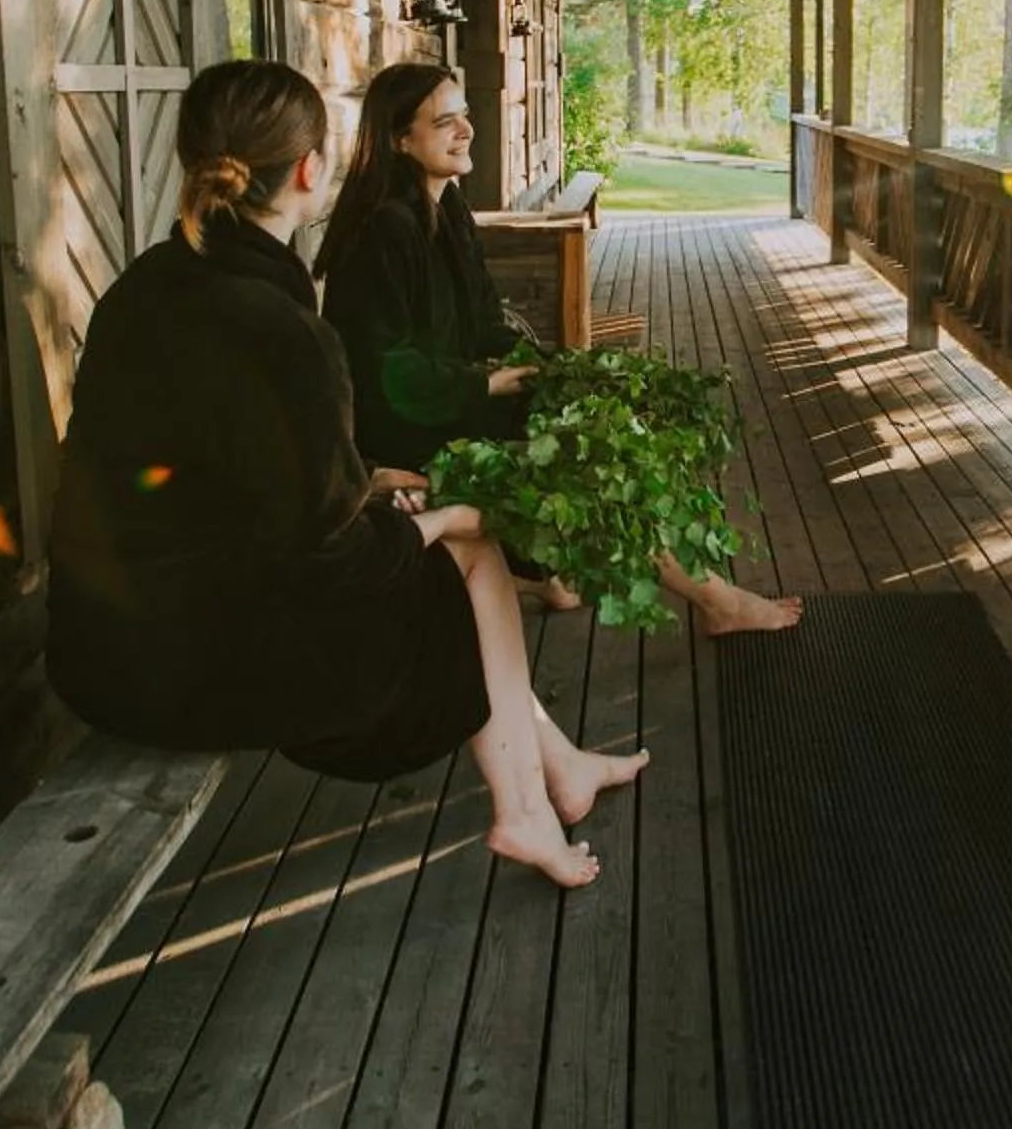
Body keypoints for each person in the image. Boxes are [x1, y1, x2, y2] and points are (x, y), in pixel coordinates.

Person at [46, 58, 637, 889]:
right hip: (194, 661)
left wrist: (367, 477)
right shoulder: (286, 331)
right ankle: (526, 813)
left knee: (445, 530)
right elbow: (330, 558)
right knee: (470, 554)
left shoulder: (147, 284)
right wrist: (439, 521)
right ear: (308, 169)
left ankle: (558, 773)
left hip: (104, 642)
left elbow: (230, 474)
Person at [313, 63, 801, 637]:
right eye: (445, 121)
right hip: (403, 428)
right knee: (593, 457)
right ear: (400, 140)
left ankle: (555, 578)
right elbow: (381, 372)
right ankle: (718, 601)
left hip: (451, 400)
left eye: (465, 114)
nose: (466, 129)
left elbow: (484, 324)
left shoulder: (447, 209)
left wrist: (550, 367)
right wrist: (487, 385)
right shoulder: (381, 232)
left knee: (602, 417)